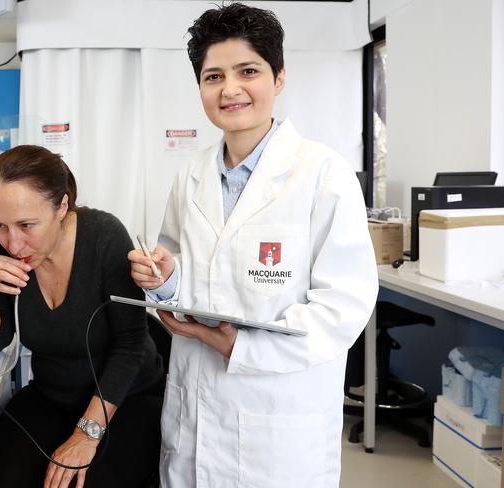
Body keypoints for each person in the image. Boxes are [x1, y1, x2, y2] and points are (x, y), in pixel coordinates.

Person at [128, 4, 379, 487]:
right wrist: (162, 278)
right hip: (195, 406)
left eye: (248, 71)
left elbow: (343, 306)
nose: (230, 89)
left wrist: (243, 347)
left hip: (278, 418)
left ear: (278, 77)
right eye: (213, 76)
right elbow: (180, 271)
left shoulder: (324, 175)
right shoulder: (191, 177)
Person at [0, 145, 164, 488]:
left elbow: (130, 347)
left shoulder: (103, 236)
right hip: (51, 395)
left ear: (61, 206)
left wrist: (87, 435)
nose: (13, 243)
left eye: (27, 225)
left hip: (124, 400)